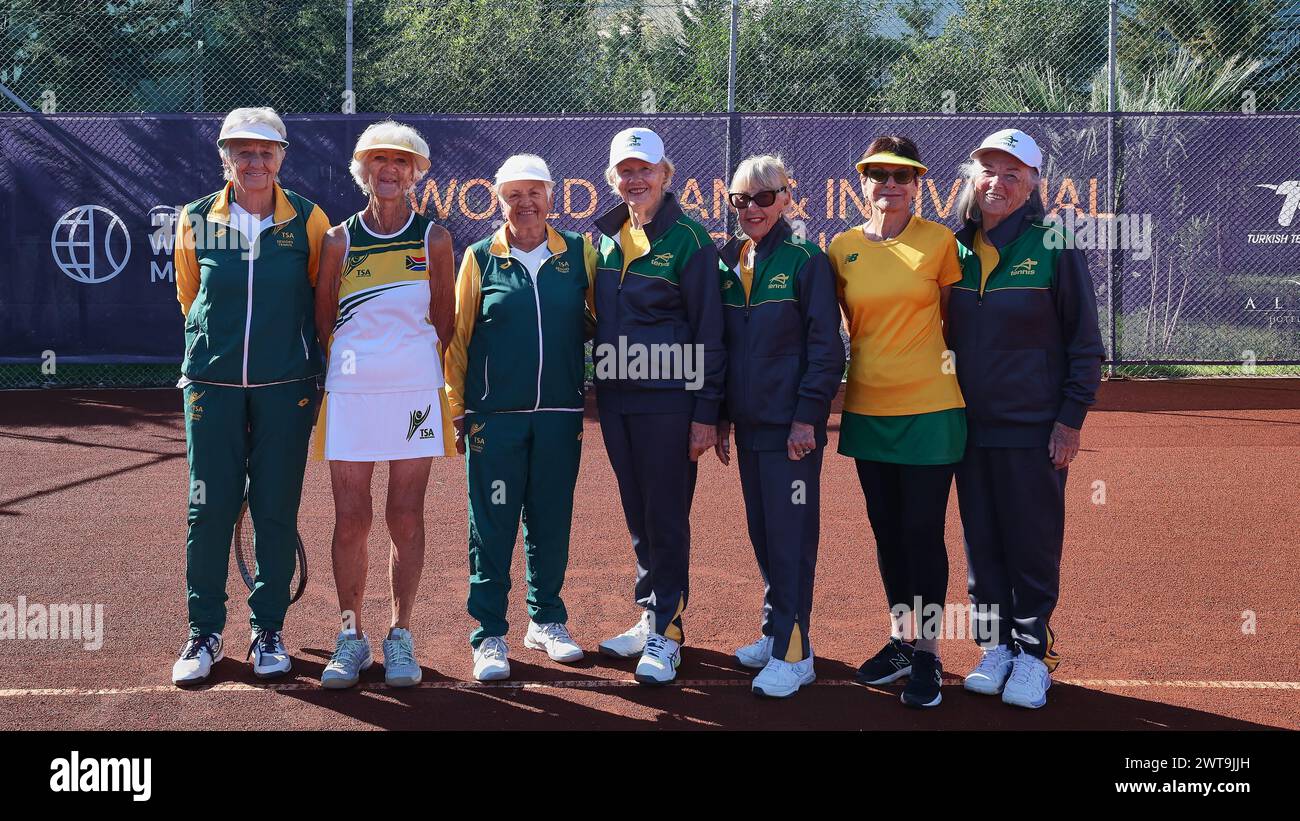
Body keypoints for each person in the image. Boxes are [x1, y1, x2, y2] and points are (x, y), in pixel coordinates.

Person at [171, 107, 330, 686]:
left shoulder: (310, 222)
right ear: (225, 159)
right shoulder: (195, 219)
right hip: (211, 389)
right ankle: (204, 632)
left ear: (282, 157)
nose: (255, 162)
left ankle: (269, 630)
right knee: (208, 508)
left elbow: (322, 300)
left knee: (273, 509)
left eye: (265, 152)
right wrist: (217, 354)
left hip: (285, 389)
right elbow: (192, 295)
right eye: (243, 152)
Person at [949, 128, 1104, 709]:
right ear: (972, 175)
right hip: (967, 429)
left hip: (1035, 430)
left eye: (1013, 173)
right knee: (982, 544)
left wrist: (1069, 420)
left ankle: (1034, 653)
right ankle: (995, 648)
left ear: (1034, 182)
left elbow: (1084, 342)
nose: (998, 182)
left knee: (1032, 544)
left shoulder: (1055, 243)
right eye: (988, 169)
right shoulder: (955, 249)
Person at [311, 120, 456, 689]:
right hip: (351, 395)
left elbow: (443, 320)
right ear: (364, 172)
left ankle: (400, 634)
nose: (390, 171)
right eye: (379, 162)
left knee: (405, 514)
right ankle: (351, 635)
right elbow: (325, 317)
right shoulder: (338, 241)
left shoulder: (434, 240)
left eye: (401, 162)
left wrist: (408, 366)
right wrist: (360, 365)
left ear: (414, 173)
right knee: (351, 518)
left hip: (415, 395)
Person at [444, 154, 599, 682]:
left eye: (535, 192)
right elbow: (458, 337)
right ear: (500, 200)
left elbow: (601, 321)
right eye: (514, 194)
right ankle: (488, 634)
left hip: (559, 413)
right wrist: (458, 408)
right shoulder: (480, 256)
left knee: (551, 519)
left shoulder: (578, 253)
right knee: (492, 525)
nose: (525, 202)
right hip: (496, 417)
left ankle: (547, 620)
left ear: (552, 197)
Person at [828, 135, 966, 708]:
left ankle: (929, 655)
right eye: (878, 175)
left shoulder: (940, 243)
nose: (889, 185)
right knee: (887, 532)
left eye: (901, 176)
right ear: (863, 184)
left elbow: (958, 325)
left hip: (932, 410)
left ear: (917, 185)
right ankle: (900, 641)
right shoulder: (841, 249)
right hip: (867, 409)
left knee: (921, 532)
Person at [591, 127, 726, 685]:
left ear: (666, 175)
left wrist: (705, 414)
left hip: (671, 402)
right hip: (617, 400)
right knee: (639, 512)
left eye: (645, 169)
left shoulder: (691, 241)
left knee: (666, 515)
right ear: (613, 178)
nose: (635, 179)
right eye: (625, 170)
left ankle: (668, 631)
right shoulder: (603, 238)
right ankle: (650, 614)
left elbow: (710, 332)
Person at [716, 155, 843, 698]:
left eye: (764, 197)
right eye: (740, 200)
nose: (752, 208)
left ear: (787, 199)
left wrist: (806, 418)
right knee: (765, 534)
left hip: (791, 432)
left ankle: (796, 651)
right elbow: (722, 347)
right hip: (749, 428)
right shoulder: (731, 260)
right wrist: (722, 414)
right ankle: (776, 633)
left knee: (790, 539)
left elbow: (825, 349)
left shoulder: (806, 260)